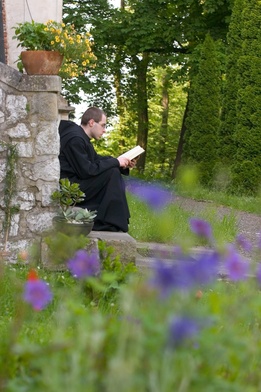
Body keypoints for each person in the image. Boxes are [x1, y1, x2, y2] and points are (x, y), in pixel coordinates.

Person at [58, 106, 135, 232]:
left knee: (113, 170)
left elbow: (95, 159)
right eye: (103, 125)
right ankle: (109, 222)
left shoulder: (80, 136)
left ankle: (113, 221)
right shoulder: (75, 138)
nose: (104, 130)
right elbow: (87, 170)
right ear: (92, 122)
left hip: (76, 182)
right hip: (70, 188)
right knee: (112, 173)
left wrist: (121, 162)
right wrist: (116, 162)